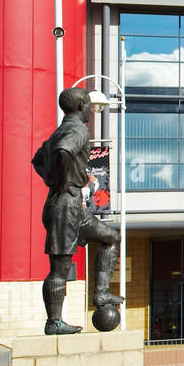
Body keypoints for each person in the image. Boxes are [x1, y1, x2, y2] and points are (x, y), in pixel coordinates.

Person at [31, 88, 124, 335]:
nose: (91, 111)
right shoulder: (76, 130)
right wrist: (69, 180)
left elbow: (38, 160)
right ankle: (54, 322)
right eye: (89, 105)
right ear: (82, 105)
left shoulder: (57, 131)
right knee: (59, 268)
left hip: (65, 204)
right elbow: (64, 150)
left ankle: (102, 294)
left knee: (111, 237)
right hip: (65, 206)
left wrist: (57, 179)